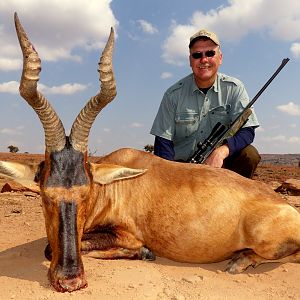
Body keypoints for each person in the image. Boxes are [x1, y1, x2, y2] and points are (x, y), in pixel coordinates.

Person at [150, 29, 261, 178]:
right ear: (190, 60)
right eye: (197, 55)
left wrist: (221, 152)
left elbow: (247, 131)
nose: (204, 60)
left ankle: (231, 198)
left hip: (220, 164)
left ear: (220, 58)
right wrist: (170, 176)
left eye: (210, 53)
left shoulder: (234, 88)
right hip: (183, 169)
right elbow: (163, 143)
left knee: (250, 155)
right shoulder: (173, 94)